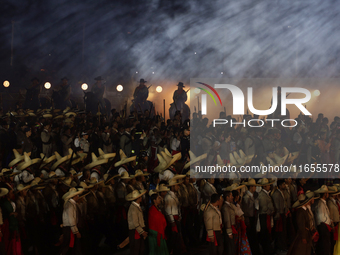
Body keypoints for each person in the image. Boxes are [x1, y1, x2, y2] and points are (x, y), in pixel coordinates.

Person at [60, 187, 83, 255]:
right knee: (68, 244)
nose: (78, 196)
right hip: (69, 228)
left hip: (70, 228)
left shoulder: (71, 204)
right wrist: (76, 231)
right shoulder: (70, 205)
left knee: (71, 245)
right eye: (77, 195)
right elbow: (71, 219)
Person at [256, 178, 275, 255]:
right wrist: (271, 212)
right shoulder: (262, 195)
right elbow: (264, 208)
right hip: (264, 217)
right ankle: (266, 250)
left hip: (266, 216)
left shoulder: (265, 194)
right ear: (264, 186)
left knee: (267, 233)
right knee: (265, 234)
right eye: (268, 185)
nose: (270, 186)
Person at [126, 189, 148, 255]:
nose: (141, 198)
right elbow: (135, 223)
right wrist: (142, 232)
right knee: (136, 249)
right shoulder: (133, 208)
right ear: (138, 198)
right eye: (140, 197)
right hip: (136, 231)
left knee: (139, 248)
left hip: (138, 230)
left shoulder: (135, 206)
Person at [314, 185, 334, 255]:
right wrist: (328, 222)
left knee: (325, 244)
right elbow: (322, 218)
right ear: (325, 194)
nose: (328, 194)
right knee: (324, 245)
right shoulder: (320, 204)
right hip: (323, 226)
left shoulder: (323, 203)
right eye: (327, 193)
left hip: (325, 226)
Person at [148, 191, 169, 255]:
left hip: (158, 232)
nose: (160, 199)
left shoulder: (158, 208)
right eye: (158, 198)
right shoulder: (152, 210)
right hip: (155, 233)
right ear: (154, 200)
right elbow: (156, 220)